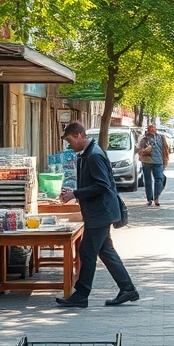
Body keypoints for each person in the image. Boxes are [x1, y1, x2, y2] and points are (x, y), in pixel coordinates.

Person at [56, 122, 139, 308]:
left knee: (87, 252)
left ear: (78, 135)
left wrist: (75, 194)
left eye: (70, 141)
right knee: (105, 251)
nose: (70, 145)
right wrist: (75, 192)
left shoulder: (93, 155)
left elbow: (102, 185)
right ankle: (127, 289)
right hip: (99, 212)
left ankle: (81, 294)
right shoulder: (89, 153)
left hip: (100, 213)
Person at [136, 123, 169, 207]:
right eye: (149, 127)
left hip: (158, 161)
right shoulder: (144, 139)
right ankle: (149, 199)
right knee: (148, 181)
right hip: (147, 162)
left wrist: (165, 160)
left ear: (155, 128)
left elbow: (165, 149)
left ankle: (156, 197)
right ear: (147, 129)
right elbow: (139, 150)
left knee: (159, 179)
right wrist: (145, 150)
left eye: (153, 127)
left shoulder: (161, 137)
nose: (151, 128)